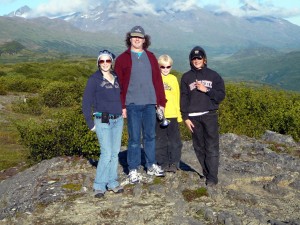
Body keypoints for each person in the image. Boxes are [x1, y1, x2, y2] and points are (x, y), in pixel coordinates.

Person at [114, 25, 167, 184]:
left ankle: (151, 165)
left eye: (140, 37)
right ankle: (133, 169)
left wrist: (161, 102)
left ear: (145, 40)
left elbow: (158, 81)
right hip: (132, 104)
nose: (137, 39)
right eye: (134, 37)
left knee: (150, 136)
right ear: (129, 39)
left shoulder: (151, 57)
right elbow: (119, 85)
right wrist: (122, 106)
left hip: (150, 103)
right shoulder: (122, 58)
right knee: (134, 138)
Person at [180, 46, 225, 187]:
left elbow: (220, 96)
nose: (196, 60)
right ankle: (206, 173)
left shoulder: (213, 76)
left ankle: (212, 178)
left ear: (204, 60)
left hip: (209, 115)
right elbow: (184, 98)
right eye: (194, 58)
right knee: (199, 147)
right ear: (190, 60)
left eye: (199, 58)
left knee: (211, 147)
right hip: (193, 118)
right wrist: (185, 117)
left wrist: (207, 90)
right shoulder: (186, 77)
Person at [82, 50, 124, 198]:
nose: (105, 64)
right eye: (102, 61)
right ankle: (99, 185)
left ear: (111, 62)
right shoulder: (94, 79)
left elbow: (122, 95)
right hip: (103, 118)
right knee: (106, 153)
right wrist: (90, 123)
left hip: (118, 119)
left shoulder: (117, 77)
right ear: (98, 63)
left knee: (114, 152)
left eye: (108, 61)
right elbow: (86, 102)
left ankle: (112, 182)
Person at [155, 54, 183, 173]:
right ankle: (162, 162)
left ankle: (174, 162)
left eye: (168, 67)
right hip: (159, 115)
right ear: (158, 66)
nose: (165, 69)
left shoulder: (173, 79)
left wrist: (179, 114)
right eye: (163, 67)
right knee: (160, 139)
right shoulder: (155, 78)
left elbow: (177, 97)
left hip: (172, 114)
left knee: (174, 140)